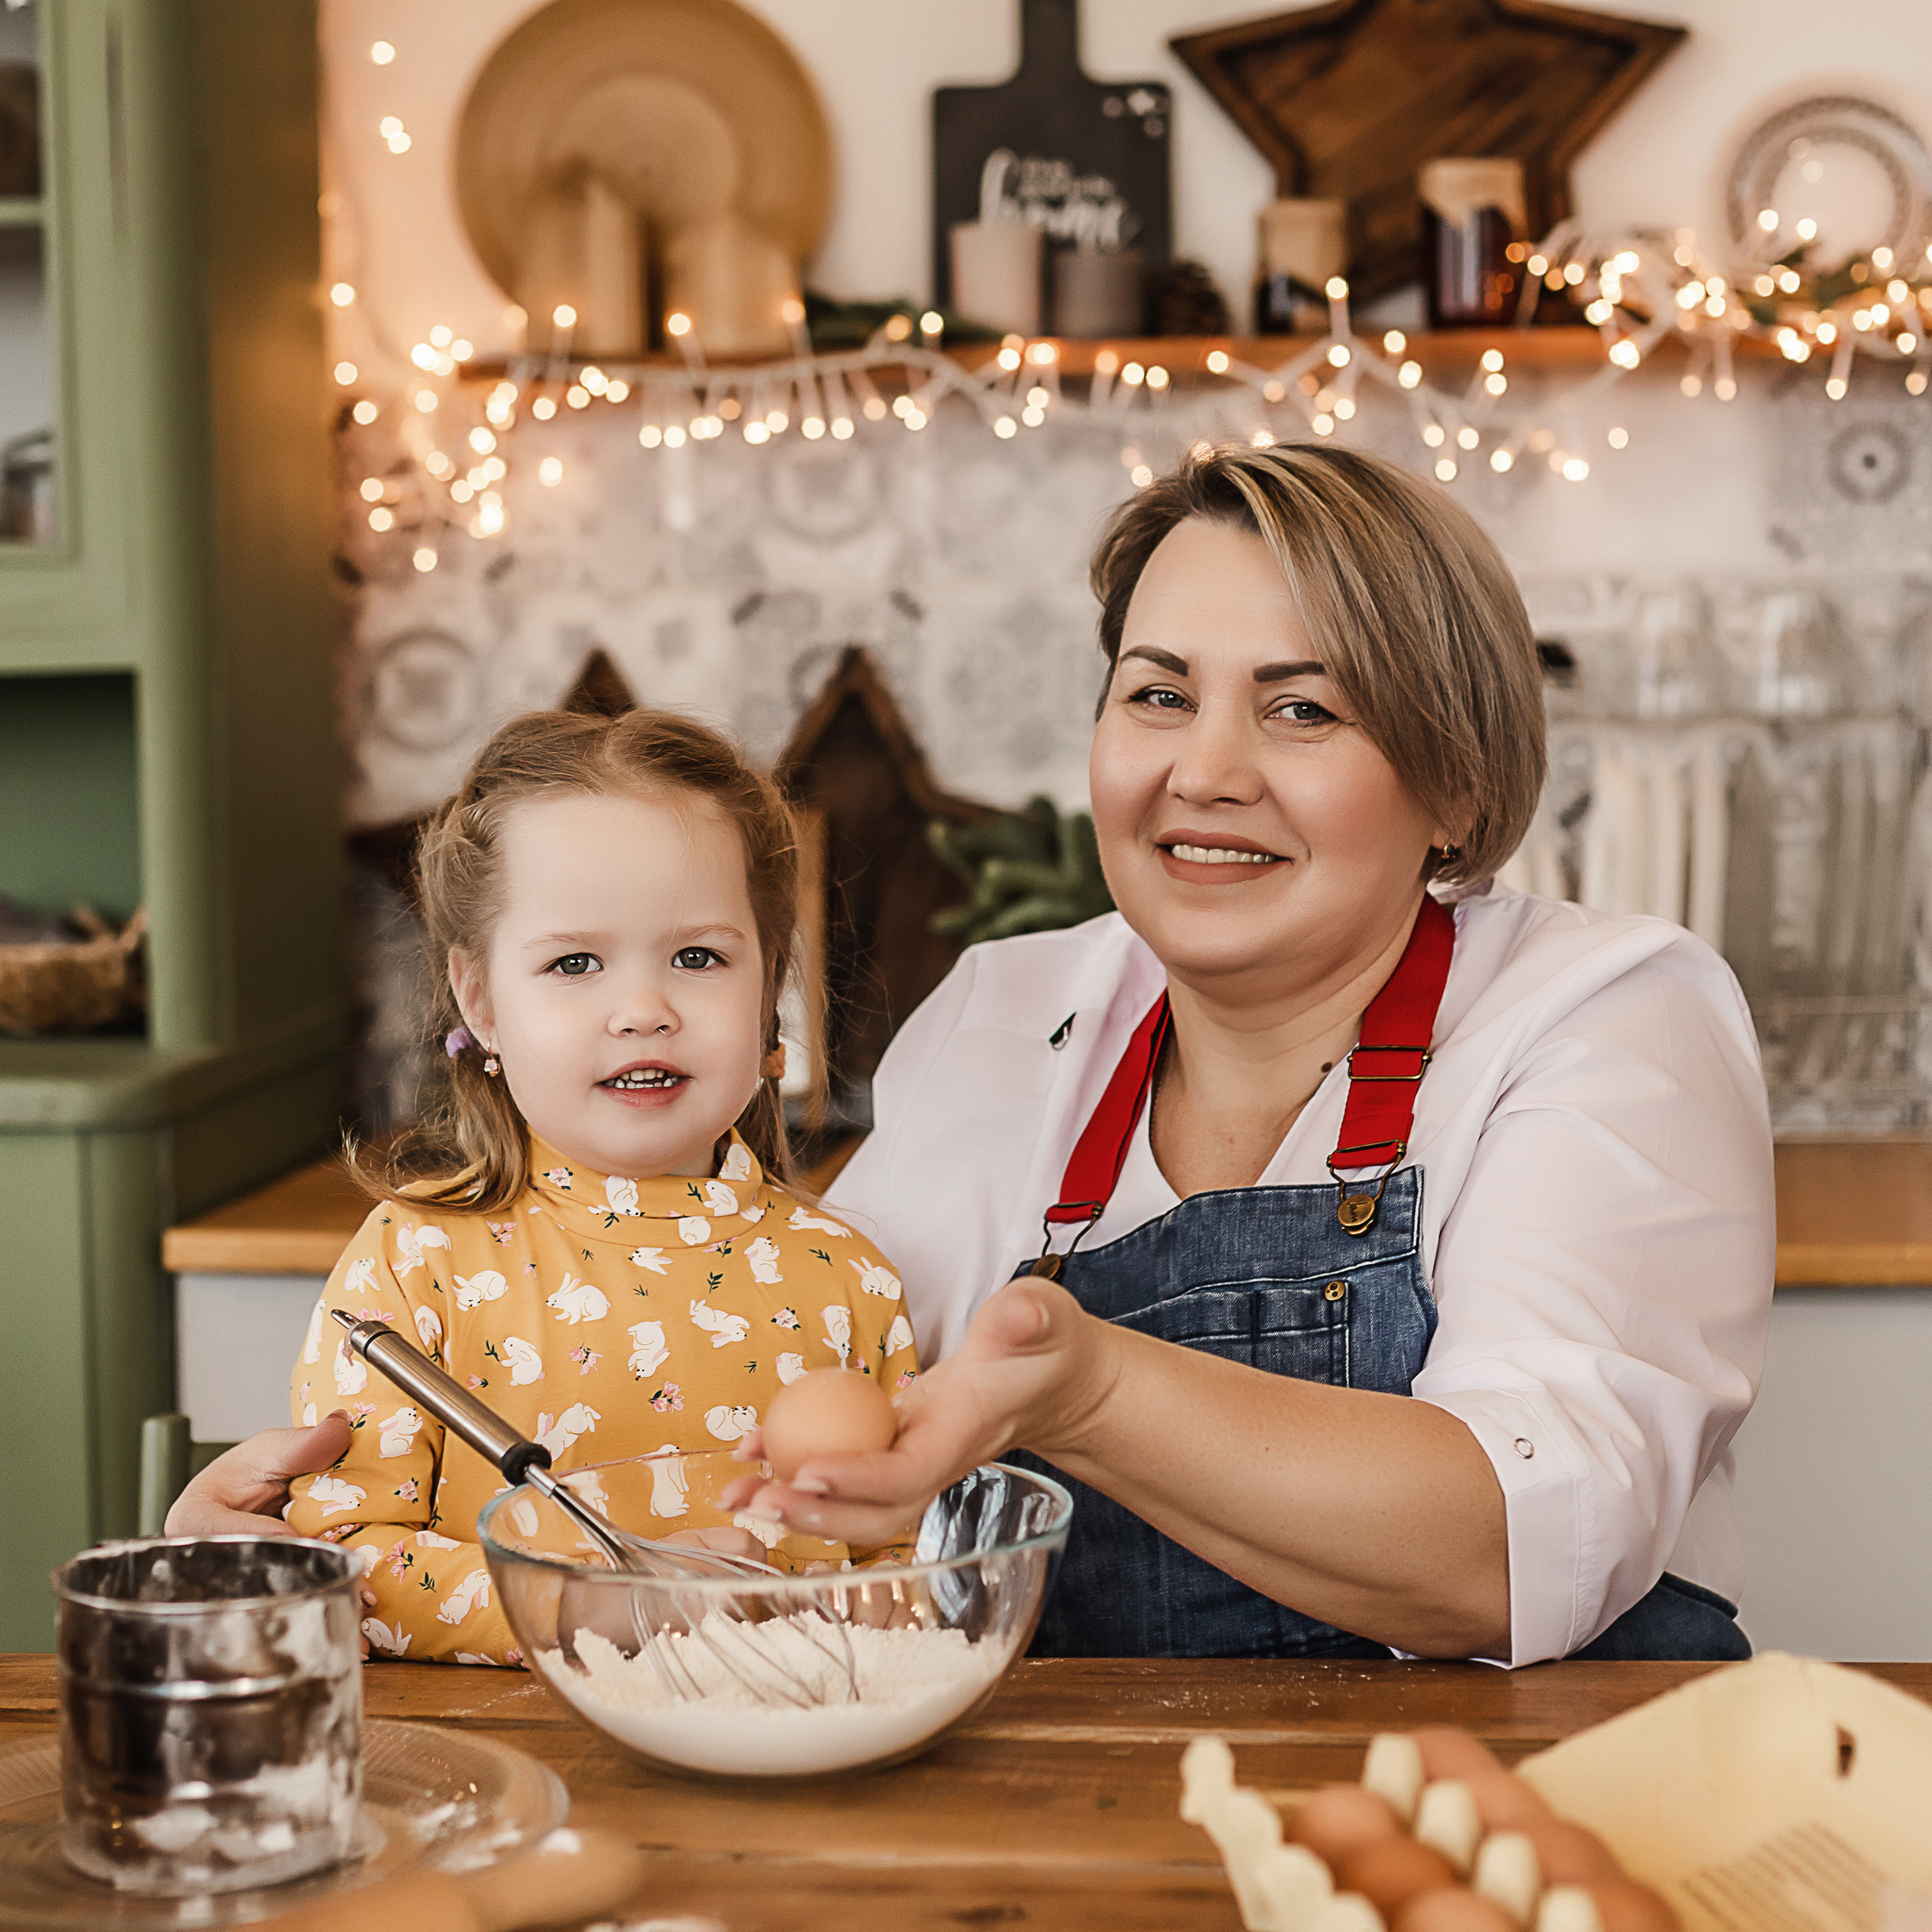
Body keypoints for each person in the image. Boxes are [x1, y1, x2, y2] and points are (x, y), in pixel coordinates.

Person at [178, 445, 1771, 1668]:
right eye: (1158, 695)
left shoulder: (1600, 1015)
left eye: (1302, 711)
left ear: (1457, 781)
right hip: (1083, 1818)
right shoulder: (1011, 1013)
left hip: (1513, 1822)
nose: (1204, 771)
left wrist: (1088, 1386)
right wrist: (303, 1550)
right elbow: (797, 1408)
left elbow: (1522, 1547)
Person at [267, 708, 917, 1663]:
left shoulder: (851, 1281)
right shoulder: (414, 1268)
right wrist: (594, 1607)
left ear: (769, 985)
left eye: (698, 957)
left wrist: (884, 1603)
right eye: (574, 962)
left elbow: (912, 1560)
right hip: (498, 1751)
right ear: (482, 1001)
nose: (643, 1009)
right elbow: (341, 1560)